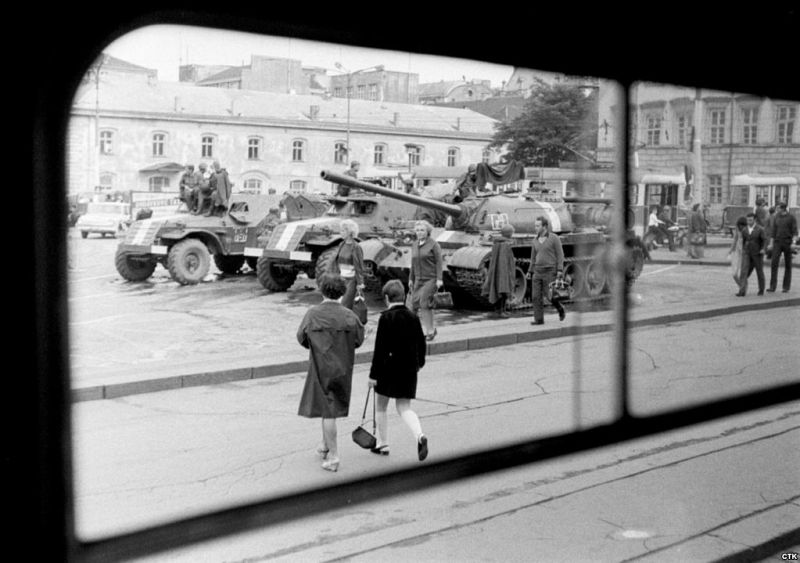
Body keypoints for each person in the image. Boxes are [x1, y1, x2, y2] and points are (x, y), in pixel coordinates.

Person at [297, 273, 365, 472]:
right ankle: (325, 445)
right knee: (329, 409)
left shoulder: (312, 314)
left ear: (322, 290)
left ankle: (334, 456)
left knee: (327, 411)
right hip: (342, 367)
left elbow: (301, 337)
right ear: (342, 292)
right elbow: (359, 340)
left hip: (320, 366)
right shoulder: (349, 316)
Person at [367, 279, 429, 461]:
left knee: (381, 406)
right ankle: (420, 435)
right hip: (409, 368)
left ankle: (383, 443)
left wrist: (373, 375)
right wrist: (419, 364)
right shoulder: (413, 317)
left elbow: (380, 350)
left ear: (386, 298)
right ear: (404, 297)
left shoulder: (386, 318)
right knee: (404, 407)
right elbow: (421, 344)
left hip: (388, 369)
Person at [408, 220, 444, 341]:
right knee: (413, 305)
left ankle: (430, 330)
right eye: (417, 230)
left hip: (431, 279)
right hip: (418, 279)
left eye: (422, 230)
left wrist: (439, 279)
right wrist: (410, 279)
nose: (419, 232)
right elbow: (412, 263)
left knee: (424, 303)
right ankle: (415, 330)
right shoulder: (414, 244)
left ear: (427, 231)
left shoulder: (434, 245)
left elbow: (439, 262)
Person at [527, 216, 566, 325]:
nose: (535, 228)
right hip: (537, 271)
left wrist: (560, 270)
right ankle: (538, 320)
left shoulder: (554, 238)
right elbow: (533, 258)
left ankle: (560, 308)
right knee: (535, 297)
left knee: (550, 296)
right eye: (535, 226)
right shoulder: (534, 240)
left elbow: (560, 255)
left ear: (544, 227)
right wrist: (530, 271)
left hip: (550, 270)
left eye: (537, 226)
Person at [327, 219, 365, 310]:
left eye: (343, 230)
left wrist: (360, 283)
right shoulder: (341, 244)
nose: (341, 232)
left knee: (345, 306)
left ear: (350, 232)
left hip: (351, 281)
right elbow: (336, 262)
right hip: (341, 280)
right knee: (338, 305)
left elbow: (359, 266)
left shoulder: (356, 247)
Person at [482, 224, 516, 318]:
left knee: (498, 289)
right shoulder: (505, 244)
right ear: (509, 234)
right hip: (503, 272)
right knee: (503, 289)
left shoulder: (498, 243)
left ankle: (500, 310)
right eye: (512, 233)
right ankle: (500, 311)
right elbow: (505, 260)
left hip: (497, 271)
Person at [767, 201, 798, 293]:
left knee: (788, 265)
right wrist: (771, 244)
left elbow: (795, 231)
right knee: (774, 263)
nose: (776, 210)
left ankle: (786, 287)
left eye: (778, 208)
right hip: (777, 242)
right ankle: (772, 286)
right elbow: (773, 231)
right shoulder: (776, 217)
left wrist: (793, 243)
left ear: (783, 208)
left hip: (788, 242)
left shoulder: (791, 217)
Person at [736, 212, 767, 296]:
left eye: (750, 220)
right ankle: (742, 291)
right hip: (747, 252)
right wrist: (742, 250)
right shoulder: (744, 230)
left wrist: (763, 249)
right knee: (744, 271)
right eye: (748, 220)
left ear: (754, 220)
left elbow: (764, 240)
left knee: (759, 271)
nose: (749, 222)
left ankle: (761, 289)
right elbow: (744, 240)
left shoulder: (760, 229)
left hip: (757, 253)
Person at [727, 216, 748, 290]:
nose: (740, 227)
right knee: (734, 274)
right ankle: (742, 286)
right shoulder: (738, 229)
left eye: (742, 226)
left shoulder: (748, 230)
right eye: (739, 226)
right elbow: (735, 239)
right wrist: (731, 249)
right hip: (738, 252)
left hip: (745, 253)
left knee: (743, 272)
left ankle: (743, 288)